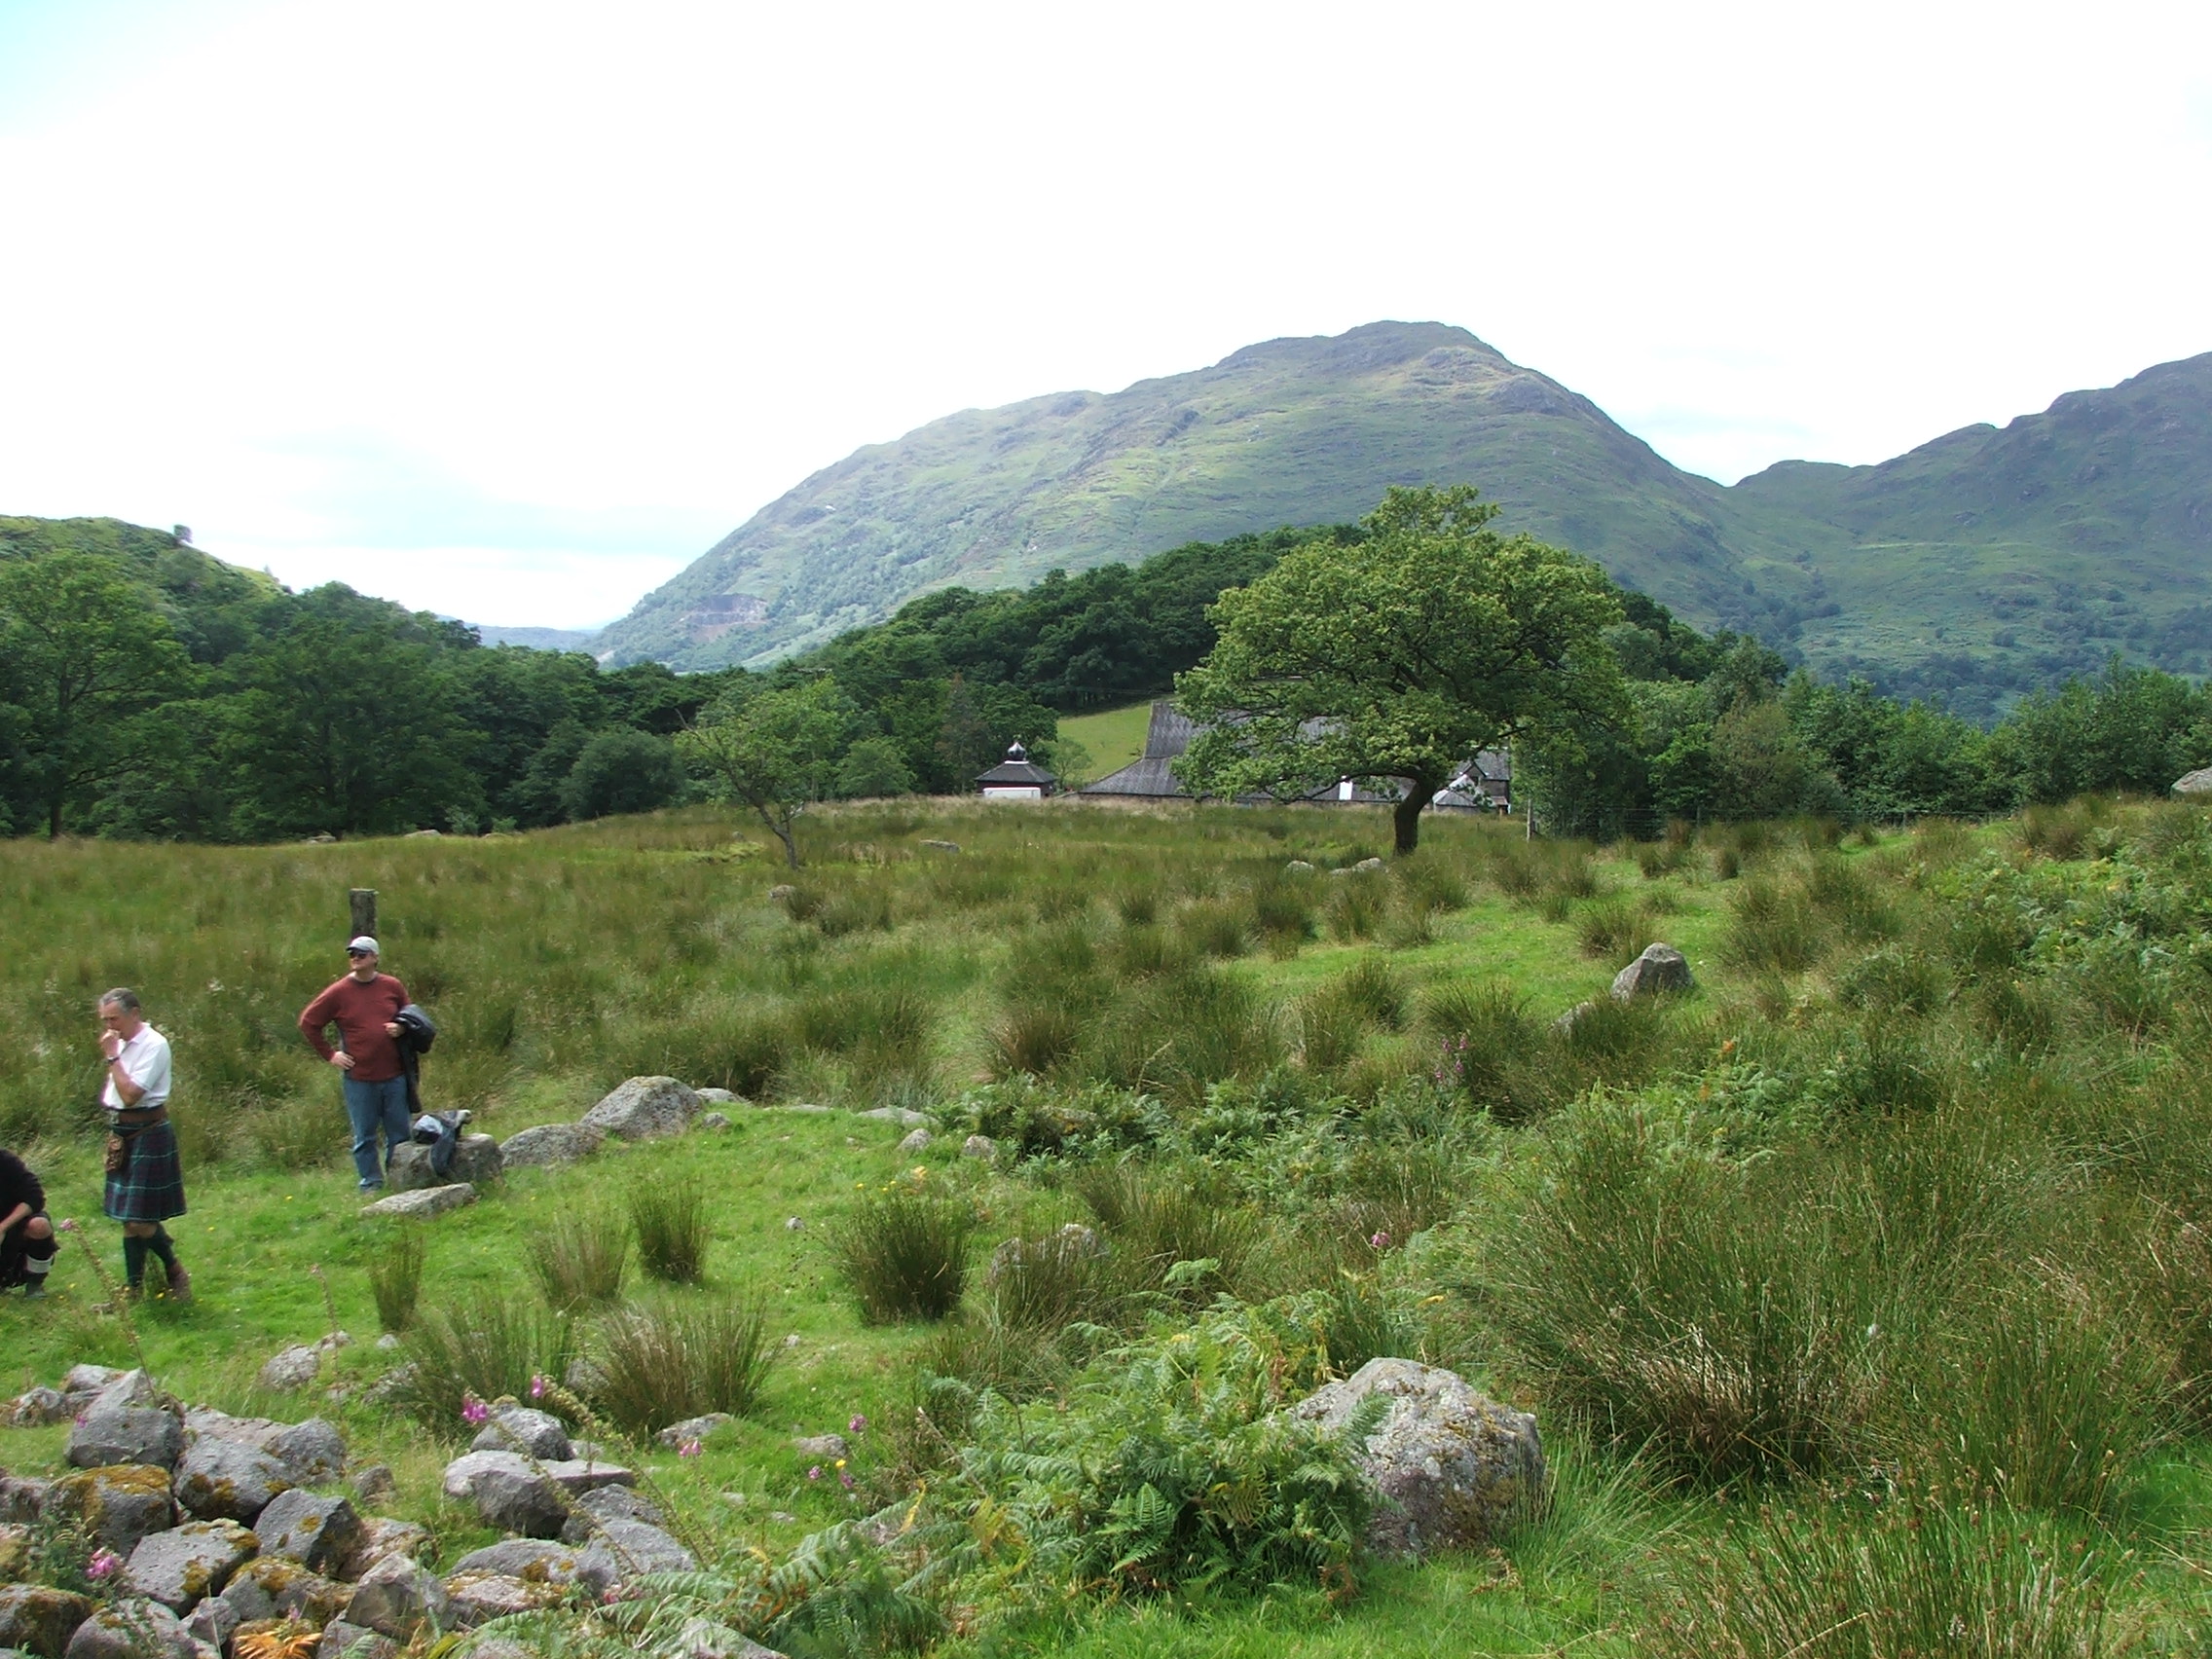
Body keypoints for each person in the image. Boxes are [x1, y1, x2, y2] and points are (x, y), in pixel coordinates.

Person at [298, 936, 413, 1191]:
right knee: (365, 1136)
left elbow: (412, 1016)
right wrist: (331, 1055)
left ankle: (401, 1181)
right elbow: (308, 1023)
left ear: (375, 957)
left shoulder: (392, 986)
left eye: (361, 954)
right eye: (352, 954)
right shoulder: (338, 992)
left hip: (395, 1074)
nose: (355, 959)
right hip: (360, 1078)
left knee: (400, 1134)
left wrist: (401, 1027)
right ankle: (370, 1184)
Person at [97, 987, 190, 1300]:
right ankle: (133, 1291)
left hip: (148, 1132)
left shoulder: (154, 1045)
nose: (109, 1027)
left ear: (134, 1013)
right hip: (122, 1133)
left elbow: (130, 1095)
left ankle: (175, 1271)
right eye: (105, 1020)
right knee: (128, 1220)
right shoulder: (120, 1043)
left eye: (114, 1019)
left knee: (139, 1220)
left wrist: (112, 1057)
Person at [0, 1145, 56, 1297]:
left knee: (39, 1225)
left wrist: (3, 1227)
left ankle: (35, 1284)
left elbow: (34, 1197)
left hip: (12, 1226)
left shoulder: (6, 1161)